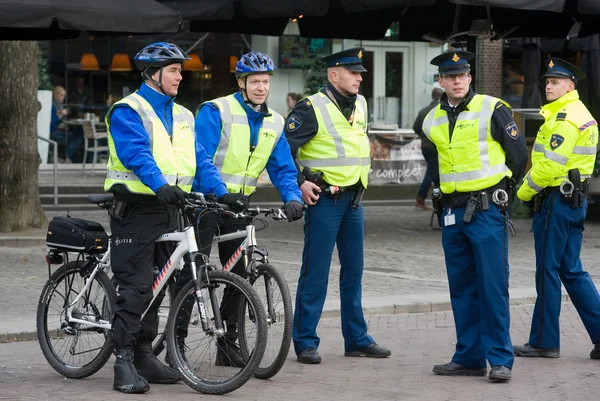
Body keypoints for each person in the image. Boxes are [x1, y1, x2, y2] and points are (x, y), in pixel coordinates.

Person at [105, 41, 246, 394]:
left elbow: (201, 161)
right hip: (136, 210)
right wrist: (159, 185)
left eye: (180, 70)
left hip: (171, 210)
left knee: (162, 284)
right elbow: (136, 154)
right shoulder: (128, 110)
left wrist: (221, 192)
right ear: (153, 74)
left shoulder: (183, 115)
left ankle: (144, 354)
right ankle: (122, 360)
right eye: (173, 70)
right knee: (137, 287)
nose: (180, 75)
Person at [176, 51, 304, 368]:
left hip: (238, 207)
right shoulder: (216, 110)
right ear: (241, 82)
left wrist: (292, 196)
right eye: (255, 81)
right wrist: (220, 192)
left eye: (265, 82)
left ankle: (228, 344)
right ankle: (174, 343)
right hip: (205, 203)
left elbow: (284, 168)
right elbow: (200, 157)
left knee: (240, 275)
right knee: (193, 274)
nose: (261, 87)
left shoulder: (275, 121)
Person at [422, 51, 528, 382]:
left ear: (470, 78)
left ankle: (500, 359)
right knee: (462, 287)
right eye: (449, 76)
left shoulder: (492, 108)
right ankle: (468, 356)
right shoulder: (431, 119)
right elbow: (436, 161)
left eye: (462, 75)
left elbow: (518, 155)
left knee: (492, 286)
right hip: (452, 213)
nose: (456, 81)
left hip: (485, 211)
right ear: (440, 81)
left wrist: (502, 194)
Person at [285, 47, 391, 365]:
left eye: (360, 73)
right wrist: (301, 181)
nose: (360, 78)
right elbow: (280, 150)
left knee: (354, 272)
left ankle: (356, 339)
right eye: (354, 73)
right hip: (325, 202)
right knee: (316, 273)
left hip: (354, 201)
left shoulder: (360, 103)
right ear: (334, 75)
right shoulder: (310, 108)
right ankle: (305, 341)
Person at [513, 58, 600, 360]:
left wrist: (522, 193)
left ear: (570, 86)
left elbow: (550, 165)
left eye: (555, 82)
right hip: (574, 201)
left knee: (548, 271)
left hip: (556, 202)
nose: (548, 86)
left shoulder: (564, 118)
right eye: (547, 81)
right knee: (572, 270)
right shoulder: (582, 114)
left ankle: (543, 341)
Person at [413, 86, 444, 210]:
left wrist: (424, 137)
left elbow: (416, 127)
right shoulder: (442, 110)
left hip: (425, 146)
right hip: (437, 146)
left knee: (435, 173)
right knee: (432, 172)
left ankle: (438, 201)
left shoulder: (423, 111)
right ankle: (421, 198)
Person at [49, 85, 70, 161]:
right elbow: (52, 122)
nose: (63, 97)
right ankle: (64, 158)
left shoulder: (62, 106)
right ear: (55, 95)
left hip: (63, 129)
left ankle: (65, 157)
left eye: (64, 95)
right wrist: (61, 115)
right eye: (61, 95)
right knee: (70, 138)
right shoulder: (52, 105)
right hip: (53, 130)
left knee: (76, 137)